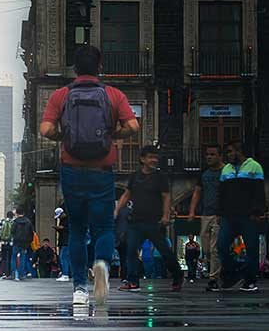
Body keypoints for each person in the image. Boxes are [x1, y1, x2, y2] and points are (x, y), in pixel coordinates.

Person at [40, 44, 139, 305]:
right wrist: (112, 134)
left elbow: (46, 129)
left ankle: (80, 290)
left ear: (75, 69)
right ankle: (103, 266)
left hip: (72, 169)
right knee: (104, 226)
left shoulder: (61, 95)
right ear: (100, 67)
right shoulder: (113, 95)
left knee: (76, 229)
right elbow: (133, 125)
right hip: (101, 169)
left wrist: (65, 135)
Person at [116, 145, 184, 292]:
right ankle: (133, 281)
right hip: (136, 221)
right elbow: (126, 194)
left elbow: (166, 197)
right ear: (142, 159)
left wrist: (166, 216)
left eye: (156, 157)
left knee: (165, 251)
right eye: (151, 157)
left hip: (154, 222)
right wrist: (116, 210)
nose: (154, 160)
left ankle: (177, 275)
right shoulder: (135, 176)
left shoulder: (160, 177)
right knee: (131, 250)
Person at [217, 140, 266, 293]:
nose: (229, 155)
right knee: (221, 246)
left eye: (231, 151)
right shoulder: (226, 169)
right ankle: (234, 272)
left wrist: (257, 212)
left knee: (252, 248)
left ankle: (250, 281)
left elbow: (259, 193)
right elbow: (221, 194)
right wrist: (220, 212)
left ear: (240, 151)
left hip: (248, 216)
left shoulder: (255, 167)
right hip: (229, 216)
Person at [188, 144, 226, 292]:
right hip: (205, 214)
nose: (209, 157)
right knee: (206, 249)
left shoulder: (226, 171)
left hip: (219, 215)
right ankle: (222, 271)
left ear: (219, 156)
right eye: (207, 154)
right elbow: (197, 192)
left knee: (214, 248)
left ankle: (213, 279)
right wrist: (192, 211)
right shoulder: (204, 173)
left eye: (212, 154)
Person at [11, 207, 35, 281]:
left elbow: (12, 231)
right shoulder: (28, 222)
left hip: (16, 242)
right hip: (25, 243)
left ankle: (14, 272)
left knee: (14, 257)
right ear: (23, 213)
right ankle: (22, 273)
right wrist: (29, 241)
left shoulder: (15, 222)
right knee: (23, 258)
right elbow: (32, 233)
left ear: (17, 213)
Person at [54, 207, 70, 282]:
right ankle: (65, 273)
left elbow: (64, 228)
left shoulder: (66, 220)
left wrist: (58, 228)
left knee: (63, 258)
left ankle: (65, 274)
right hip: (63, 241)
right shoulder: (62, 220)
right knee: (63, 258)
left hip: (65, 242)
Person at [0, 212, 14, 279]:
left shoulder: (3, 221)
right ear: (12, 216)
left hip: (3, 243)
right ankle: (9, 273)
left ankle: (3, 272)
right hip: (11, 243)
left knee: (4, 258)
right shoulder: (13, 222)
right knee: (10, 258)